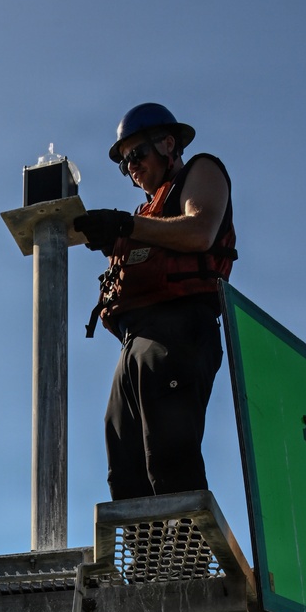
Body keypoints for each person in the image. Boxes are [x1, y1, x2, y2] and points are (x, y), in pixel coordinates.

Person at [74, 103, 237, 500]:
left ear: (168, 144)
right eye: (123, 163)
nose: (131, 166)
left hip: (179, 330)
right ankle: (147, 562)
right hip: (137, 339)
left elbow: (200, 232)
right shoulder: (145, 215)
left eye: (137, 154)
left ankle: (185, 561)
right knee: (124, 466)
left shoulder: (201, 171)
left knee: (169, 460)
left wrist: (125, 226)